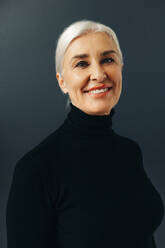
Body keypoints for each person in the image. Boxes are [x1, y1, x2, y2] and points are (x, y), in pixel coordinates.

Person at [6, 19, 164, 248]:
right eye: (81, 64)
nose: (99, 74)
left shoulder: (130, 151)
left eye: (108, 60)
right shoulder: (36, 169)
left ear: (120, 68)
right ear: (62, 82)